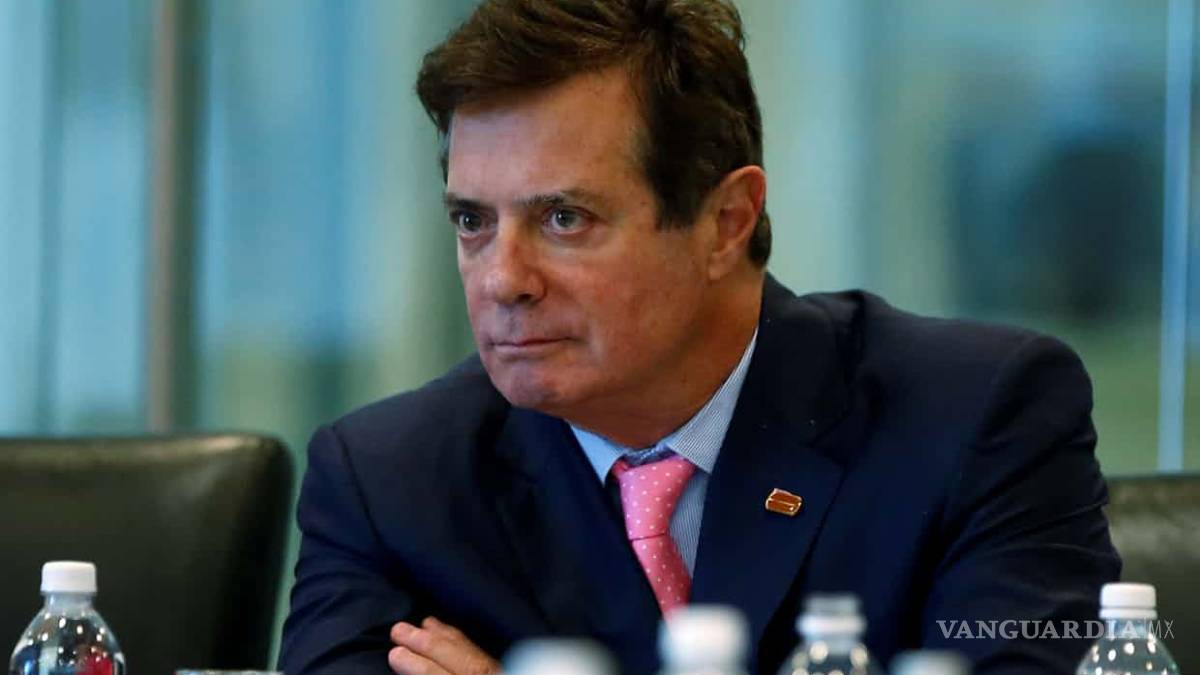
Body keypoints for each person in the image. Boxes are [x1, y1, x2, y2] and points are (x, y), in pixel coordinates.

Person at [278, 1, 1121, 674]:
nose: (504, 279)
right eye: (473, 221)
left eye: (564, 218)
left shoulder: (973, 418)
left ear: (726, 221)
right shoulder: (389, 484)